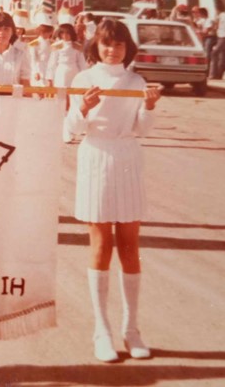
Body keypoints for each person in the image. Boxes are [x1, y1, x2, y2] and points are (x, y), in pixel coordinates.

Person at [65, 19, 161, 363]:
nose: (112, 49)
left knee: (131, 246)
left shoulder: (136, 81)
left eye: (119, 44)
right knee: (101, 244)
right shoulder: (83, 79)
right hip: (96, 157)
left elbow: (141, 128)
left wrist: (149, 107)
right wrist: (84, 108)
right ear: (96, 46)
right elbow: (70, 128)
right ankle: (101, 331)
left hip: (128, 159)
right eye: (106, 44)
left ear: (127, 48)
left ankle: (131, 328)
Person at [28, 12, 55, 86]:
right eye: (45, 32)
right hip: (39, 68)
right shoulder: (35, 43)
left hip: (50, 69)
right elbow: (33, 59)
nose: (47, 34)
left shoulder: (52, 43)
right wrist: (35, 72)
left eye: (49, 32)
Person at [210, 0, 225, 80]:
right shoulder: (219, 16)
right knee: (221, 56)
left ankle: (213, 74)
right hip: (220, 36)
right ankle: (219, 74)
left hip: (224, 37)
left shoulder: (224, 16)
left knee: (214, 53)